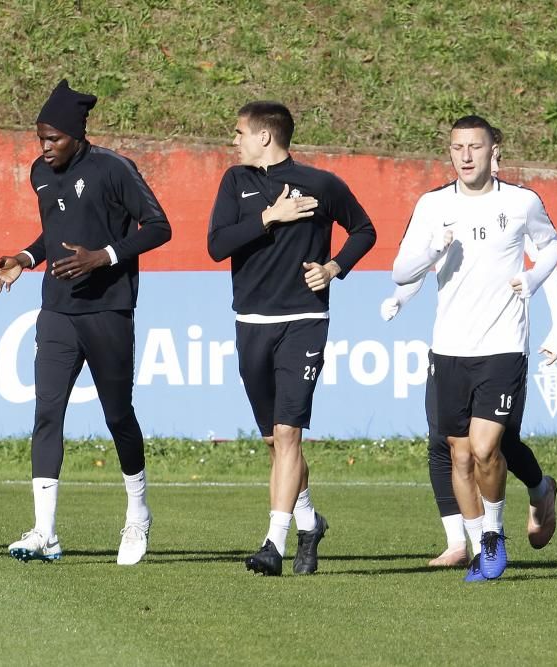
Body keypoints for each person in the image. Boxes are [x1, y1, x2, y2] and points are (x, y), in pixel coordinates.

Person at [0, 79, 171, 565]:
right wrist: (24, 258)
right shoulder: (40, 173)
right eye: (40, 139)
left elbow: (159, 227)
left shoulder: (114, 170)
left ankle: (138, 515)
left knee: (117, 417)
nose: (44, 149)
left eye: (54, 139)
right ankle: (44, 533)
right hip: (57, 313)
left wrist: (104, 257)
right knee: (47, 414)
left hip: (109, 311)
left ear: (78, 135)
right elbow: (54, 233)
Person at [207, 101, 376, 576]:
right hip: (250, 322)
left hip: (304, 320)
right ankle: (309, 522)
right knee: (275, 442)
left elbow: (364, 229)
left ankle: (272, 545)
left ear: (265, 137)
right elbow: (217, 245)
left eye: (239, 132)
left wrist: (334, 267)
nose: (233, 140)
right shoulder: (234, 183)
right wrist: (269, 216)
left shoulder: (321, 184)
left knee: (288, 434)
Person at [382, 128, 557, 566]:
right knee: (459, 456)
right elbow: (401, 271)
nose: (465, 156)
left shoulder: (521, 202)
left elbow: (552, 244)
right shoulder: (433, 205)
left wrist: (534, 279)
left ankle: (493, 538)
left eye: (475, 147)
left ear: (493, 151)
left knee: (485, 449)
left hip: (503, 344)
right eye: (457, 148)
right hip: (449, 348)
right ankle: (478, 541)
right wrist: (430, 250)